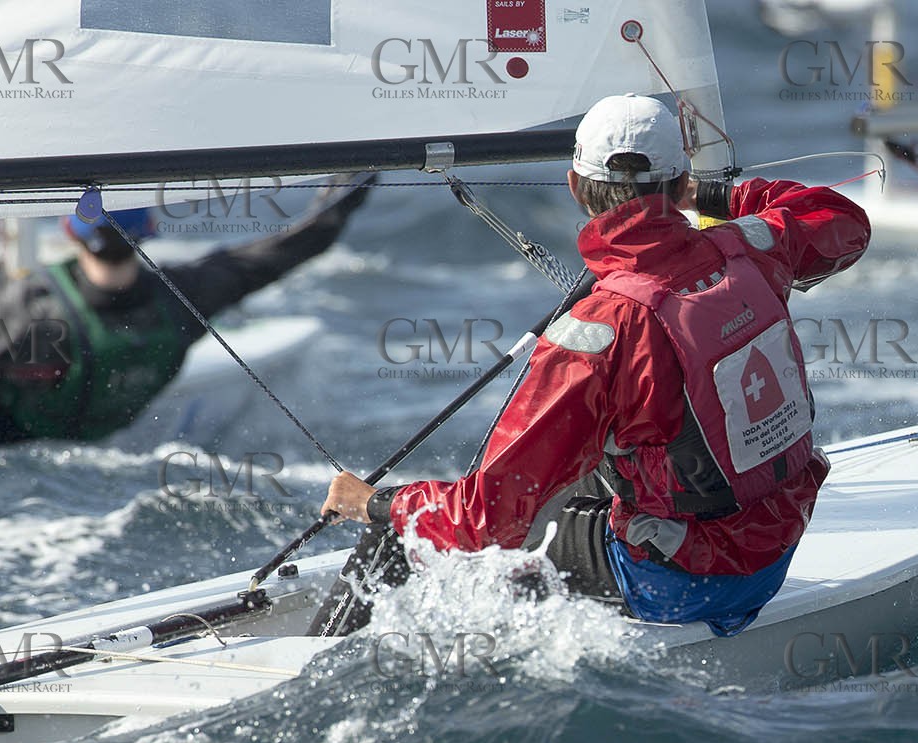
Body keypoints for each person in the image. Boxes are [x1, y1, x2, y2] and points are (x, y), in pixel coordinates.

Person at [311, 93, 870, 638]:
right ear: (681, 184)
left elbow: (485, 519)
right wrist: (709, 193)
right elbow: (843, 218)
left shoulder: (595, 335)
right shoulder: (753, 247)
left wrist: (373, 503)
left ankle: (314, 663)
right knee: (593, 464)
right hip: (778, 542)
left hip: (681, 583)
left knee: (404, 529)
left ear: (575, 187)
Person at [0, 173, 374, 443]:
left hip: (5, 429)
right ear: (146, 232)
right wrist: (346, 193)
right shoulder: (184, 297)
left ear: (73, 232)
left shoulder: (27, 308)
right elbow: (283, 252)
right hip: (96, 427)